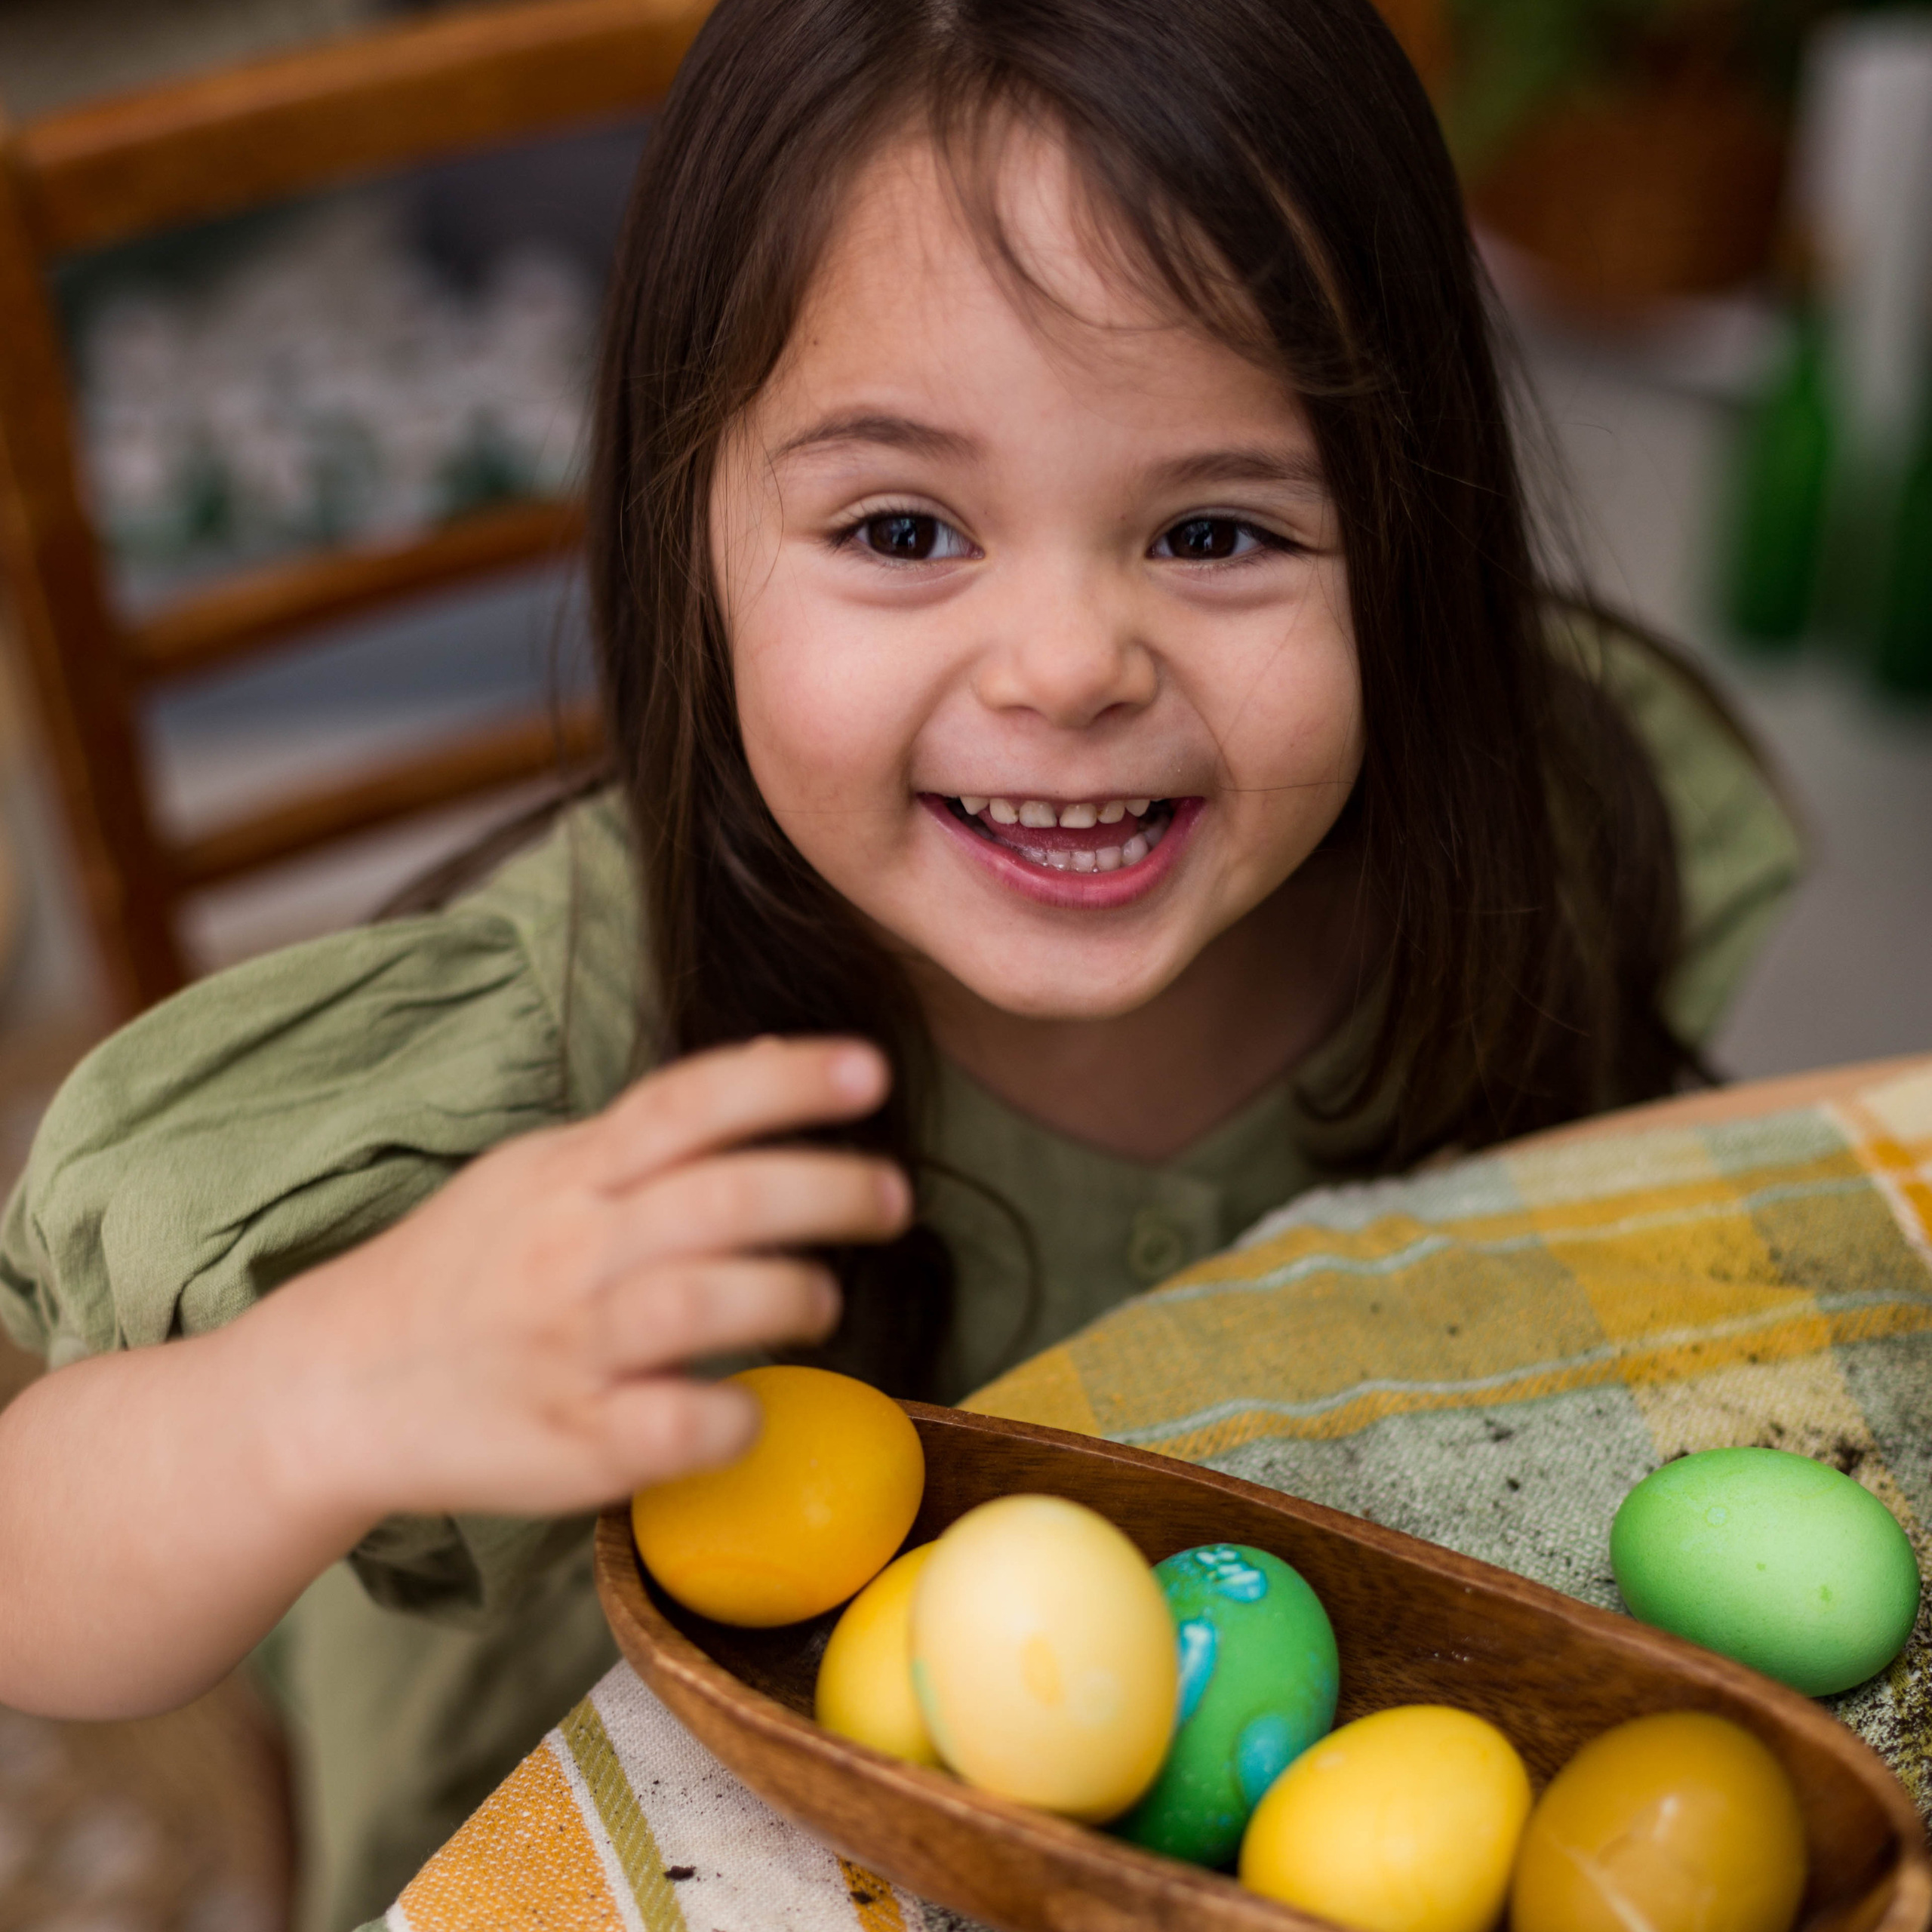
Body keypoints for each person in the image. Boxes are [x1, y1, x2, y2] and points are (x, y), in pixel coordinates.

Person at [0, 0, 1800, 1923]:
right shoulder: (556, 1063)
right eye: (903, 525)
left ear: (1407, 540)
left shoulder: (1511, 835)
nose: (1065, 663)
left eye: (1210, 528)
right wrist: (316, 1389)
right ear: (687, 535)